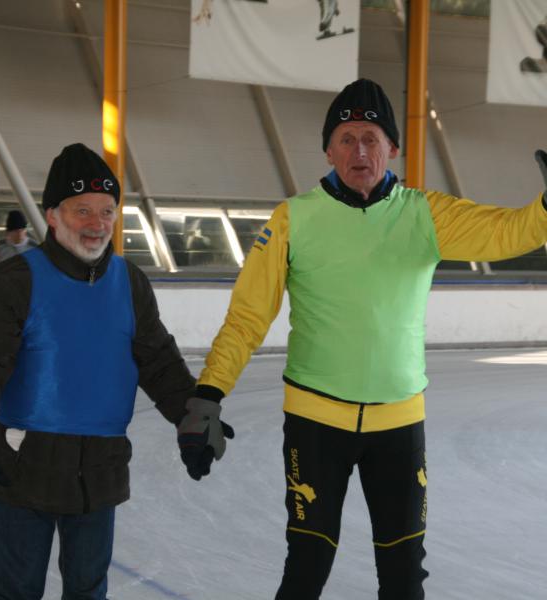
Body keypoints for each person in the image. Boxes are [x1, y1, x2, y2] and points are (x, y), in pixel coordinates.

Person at [176, 78, 547, 599]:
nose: (359, 150)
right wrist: (207, 396)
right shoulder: (293, 220)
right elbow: (247, 317)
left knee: (403, 579)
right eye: (346, 138)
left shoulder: (424, 214)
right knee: (306, 567)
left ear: (392, 148)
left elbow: (512, 232)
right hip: (315, 423)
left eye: (370, 137)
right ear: (328, 149)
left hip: (399, 425)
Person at [0, 143, 198, 600]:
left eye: (107, 210)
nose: (97, 224)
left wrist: (195, 419)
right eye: (82, 210)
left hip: (98, 474)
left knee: (87, 590)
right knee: (16, 590)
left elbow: (161, 363)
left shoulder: (130, 282)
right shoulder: (15, 280)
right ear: (53, 215)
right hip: (21, 470)